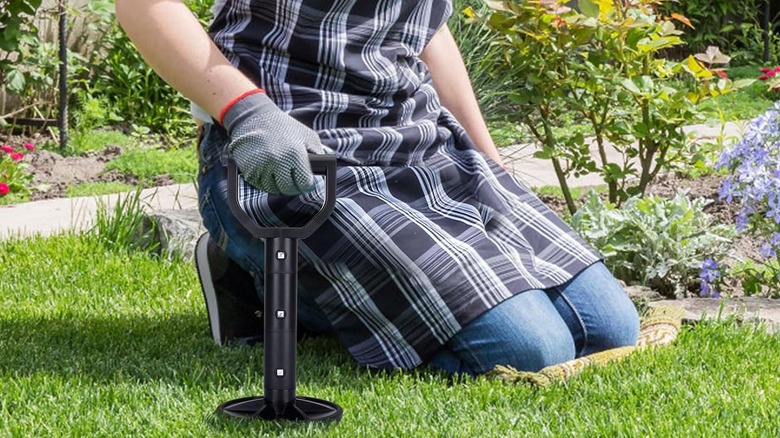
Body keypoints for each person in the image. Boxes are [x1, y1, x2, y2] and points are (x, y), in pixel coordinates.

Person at [116, 0, 639, 376]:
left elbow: (430, 30)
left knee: (608, 328)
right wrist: (246, 110)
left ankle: (284, 278)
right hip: (292, 154)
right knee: (528, 350)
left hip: (417, 145)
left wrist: (489, 159)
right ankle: (262, 276)